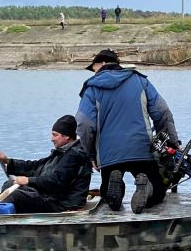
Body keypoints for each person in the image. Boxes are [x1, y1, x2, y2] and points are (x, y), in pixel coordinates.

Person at [76, 49, 179, 213]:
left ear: (102, 63)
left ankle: (114, 190)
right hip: (142, 148)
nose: (93, 72)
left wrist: (89, 154)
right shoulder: (139, 80)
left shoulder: (92, 88)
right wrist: (171, 140)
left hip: (109, 152)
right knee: (158, 193)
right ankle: (147, 189)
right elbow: (162, 112)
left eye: (93, 67)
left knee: (107, 194)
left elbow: (84, 124)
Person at [0, 115, 92, 213]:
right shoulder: (62, 152)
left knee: (13, 196)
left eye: (55, 135)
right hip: (52, 196)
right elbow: (36, 166)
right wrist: (9, 162)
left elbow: (57, 182)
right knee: (9, 185)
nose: (52, 139)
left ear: (67, 136)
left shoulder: (74, 156)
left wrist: (28, 180)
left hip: (62, 203)